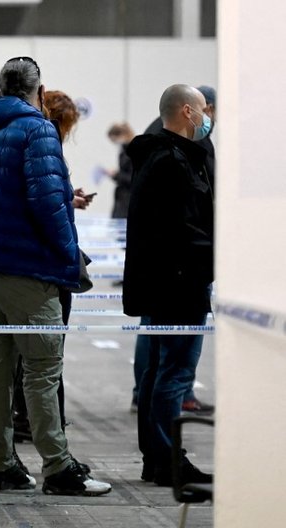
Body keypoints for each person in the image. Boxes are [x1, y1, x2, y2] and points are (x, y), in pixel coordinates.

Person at [0, 56, 111, 496]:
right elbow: (47, 203)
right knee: (43, 367)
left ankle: (3, 465)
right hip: (26, 266)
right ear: (38, 90)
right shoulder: (37, 129)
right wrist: (70, 259)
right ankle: (59, 466)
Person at [123, 84, 214, 488]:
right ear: (187, 112)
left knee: (157, 373)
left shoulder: (157, 156)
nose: (208, 117)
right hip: (179, 283)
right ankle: (165, 458)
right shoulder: (173, 162)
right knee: (173, 374)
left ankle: (158, 457)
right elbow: (184, 230)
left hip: (162, 282)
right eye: (203, 110)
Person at [10, 90, 93, 449]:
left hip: (22, 262)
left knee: (18, 352)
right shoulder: (43, 144)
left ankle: (27, 420)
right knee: (45, 353)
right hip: (45, 263)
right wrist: (67, 254)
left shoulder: (17, 139)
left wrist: (65, 196)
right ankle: (45, 432)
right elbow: (42, 206)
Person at [107, 122, 134, 220]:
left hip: (129, 198)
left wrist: (117, 175)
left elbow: (133, 178)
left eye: (114, 140)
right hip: (122, 196)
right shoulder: (123, 151)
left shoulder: (134, 151)